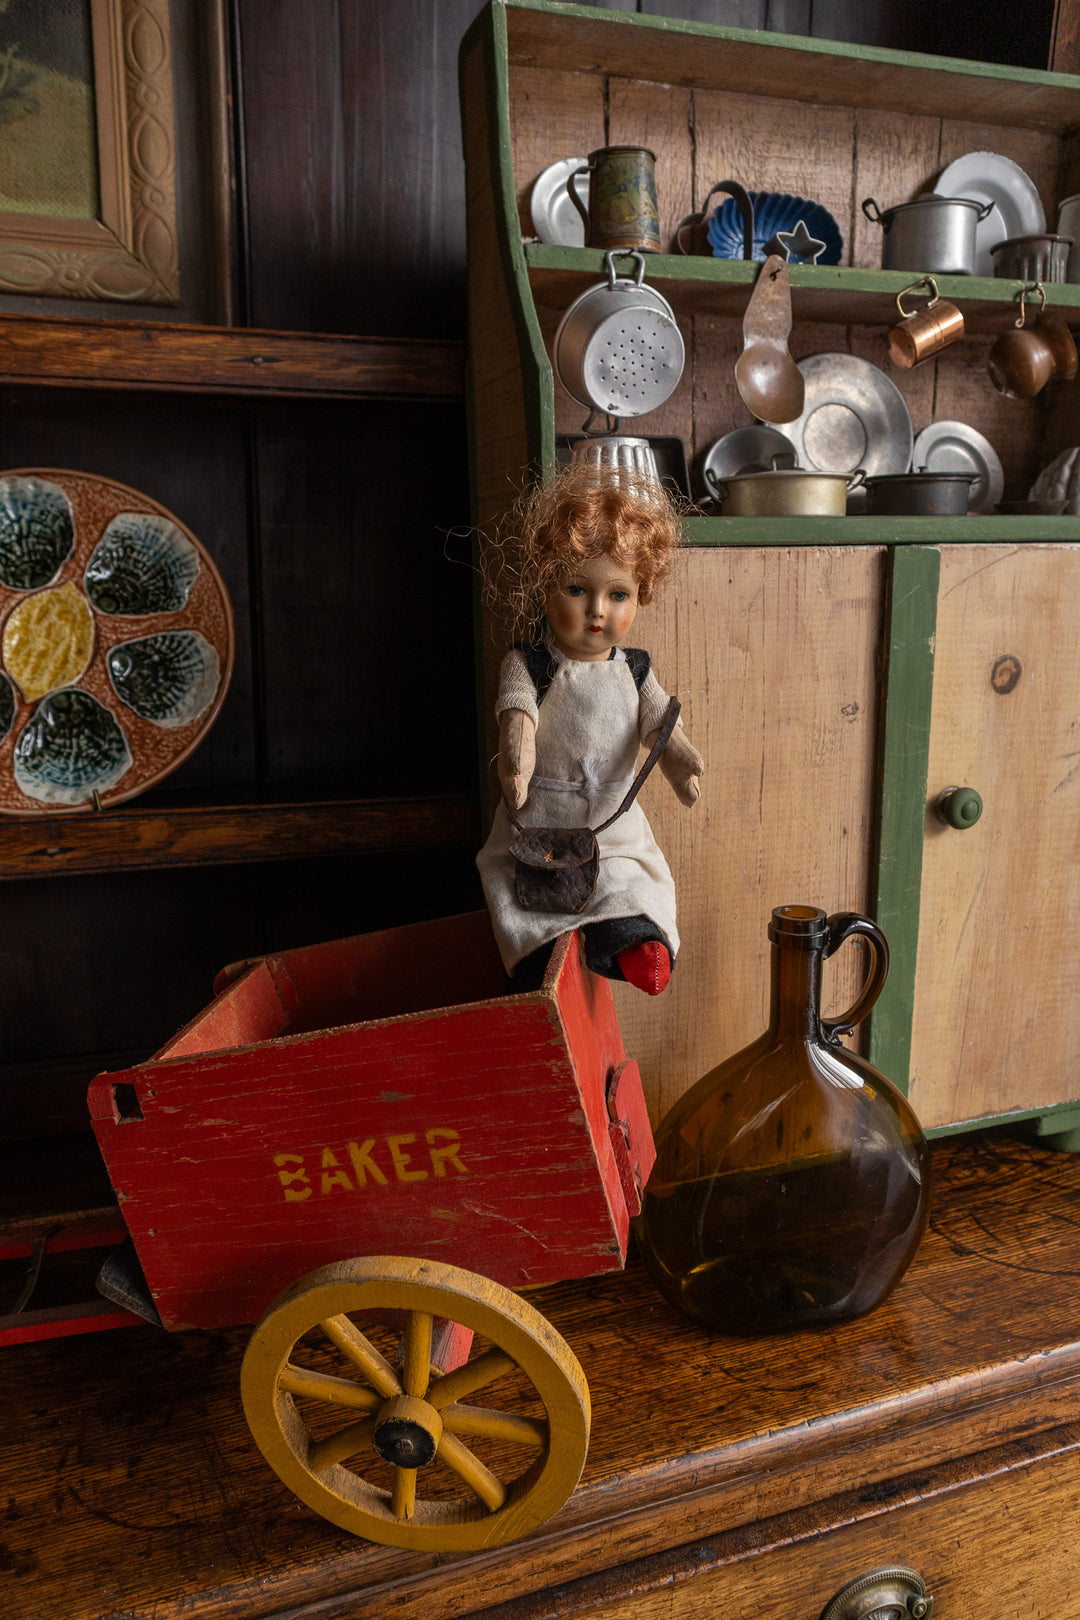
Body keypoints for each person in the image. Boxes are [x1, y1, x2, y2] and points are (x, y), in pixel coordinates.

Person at [476, 461, 703, 995]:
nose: (597, 610)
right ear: (546, 583)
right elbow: (517, 712)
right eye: (578, 589)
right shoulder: (530, 662)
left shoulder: (635, 669)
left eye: (617, 595)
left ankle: (634, 946)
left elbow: (656, 721)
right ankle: (540, 970)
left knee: (630, 886)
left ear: (639, 593)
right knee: (523, 905)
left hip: (611, 825)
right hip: (540, 825)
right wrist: (517, 752)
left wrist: (678, 757)